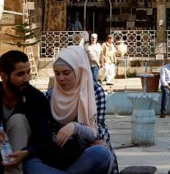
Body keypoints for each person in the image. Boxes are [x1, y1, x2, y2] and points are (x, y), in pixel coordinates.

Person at [24, 46, 118, 174]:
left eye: (66, 73)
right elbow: (46, 133)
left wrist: (76, 128)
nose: (61, 78)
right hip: (59, 154)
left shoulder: (94, 91)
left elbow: (99, 133)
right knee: (29, 163)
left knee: (101, 153)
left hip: (86, 151)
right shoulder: (51, 95)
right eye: (57, 73)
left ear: (78, 70)